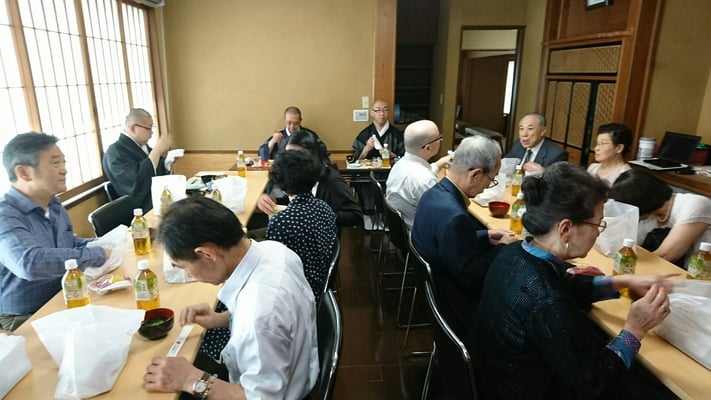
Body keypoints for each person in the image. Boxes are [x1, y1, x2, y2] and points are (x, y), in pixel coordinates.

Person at [471, 162, 675, 399]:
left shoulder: (516, 251)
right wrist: (635, 329)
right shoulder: (547, 300)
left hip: (492, 374)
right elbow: (595, 384)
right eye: (597, 224)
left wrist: (624, 281)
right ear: (566, 229)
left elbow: (565, 284)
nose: (598, 232)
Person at [144, 197, 318, 399]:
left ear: (207, 254)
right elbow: (280, 322)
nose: (189, 274)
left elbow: (261, 398)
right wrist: (223, 318)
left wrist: (190, 379)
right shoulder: (274, 250)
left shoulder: (259, 314)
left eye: (184, 267)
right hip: (295, 368)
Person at [0, 133, 108, 331]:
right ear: (24, 173)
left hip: (64, 295)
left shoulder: (53, 203)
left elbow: (69, 243)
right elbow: (29, 263)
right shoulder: (5, 215)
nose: (64, 169)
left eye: (63, 162)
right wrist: (97, 254)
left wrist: (105, 243)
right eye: (55, 163)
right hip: (25, 317)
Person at [411, 135, 517, 337]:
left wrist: (485, 235)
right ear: (476, 174)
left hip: (433, 291)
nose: (488, 187)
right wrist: (502, 248)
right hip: (455, 304)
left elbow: (447, 241)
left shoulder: (434, 193)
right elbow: (471, 276)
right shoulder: (455, 217)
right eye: (491, 179)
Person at [267, 150, 338, 304]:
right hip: (320, 284)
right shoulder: (324, 207)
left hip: (298, 294)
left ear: (281, 184)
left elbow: (275, 269)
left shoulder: (281, 221)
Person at [257, 130, 362, 229]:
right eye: (289, 154)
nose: (291, 160)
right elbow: (294, 200)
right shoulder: (297, 174)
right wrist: (272, 200)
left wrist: (321, 217)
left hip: (321, 236)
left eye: (298, 155)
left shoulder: (331, 180)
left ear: (312, 155)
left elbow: (356, 215)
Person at [610, 168, 711, 265]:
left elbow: (667, 255)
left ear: (639, 202)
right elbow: (631, 245)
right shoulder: (650, 213)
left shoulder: (695, 204)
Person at [385, 120, 451, 231]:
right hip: (420, 234)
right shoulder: (424, 179)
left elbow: (425, 172)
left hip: (402, 229)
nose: (440, 140)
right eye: (439, 138)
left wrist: (442, 162)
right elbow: (445, 213)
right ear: (428, 148)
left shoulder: (400, 164)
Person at [103, 108, 172, 211]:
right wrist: (157, 151)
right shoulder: (115, 153)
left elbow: (155, 168)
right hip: (138, 208)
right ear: (133, 128)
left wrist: (165, 159)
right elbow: (137, 180)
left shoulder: (141, 146)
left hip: (157, 199)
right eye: (148, 128)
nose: (152, 132)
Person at [504, 112, 568, 172]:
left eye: (530, 128)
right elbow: (505, 164)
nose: (524, 134)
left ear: (542, 131)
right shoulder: (518, 144)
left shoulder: (557, 154)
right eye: (521, 128)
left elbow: (557, 179)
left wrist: (542, 171)